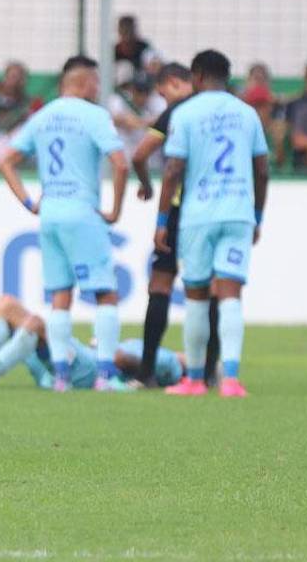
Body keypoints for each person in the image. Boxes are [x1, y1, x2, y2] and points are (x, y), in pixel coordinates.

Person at [0, 55, 130, 392]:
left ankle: (60, 378)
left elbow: (5, 160)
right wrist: (114, 210)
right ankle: (105, 376)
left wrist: (30, 202)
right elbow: (121, 163)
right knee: (105, 294)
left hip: (50, 214)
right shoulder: (95, 116)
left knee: (60, 296)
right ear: (85, 83)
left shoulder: (42, 117)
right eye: (96, 82)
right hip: (82, 212)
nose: (98, 88)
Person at [157, 49, 268, 398]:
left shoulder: (186, 113)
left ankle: (194, 379)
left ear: (197, 77)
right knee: (231, 294)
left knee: (196, 296)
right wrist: (258, 216)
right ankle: (231, 379)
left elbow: (174, 169)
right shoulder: (247, 113)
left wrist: (162, 220)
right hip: (238, 212)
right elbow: (262, 169)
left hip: (198, 216)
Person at [131, 63, 220, 387]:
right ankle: (209, 372)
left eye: (162, 92)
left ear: (173, 83)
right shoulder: (227, 111)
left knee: (161, 283)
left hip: (182, 210)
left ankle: (146, 372)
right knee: (211, 290)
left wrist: (146, 186)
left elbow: (140, 155)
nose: (163, 99)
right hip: (218, 208)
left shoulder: (179, 113)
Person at [0, 295, 184, 390]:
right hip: (76, 359)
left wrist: (114, 355)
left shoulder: (165, 359)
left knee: (38, 325)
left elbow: (131, 362)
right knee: (5, 304)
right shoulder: (145, 346)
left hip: (87, 369)